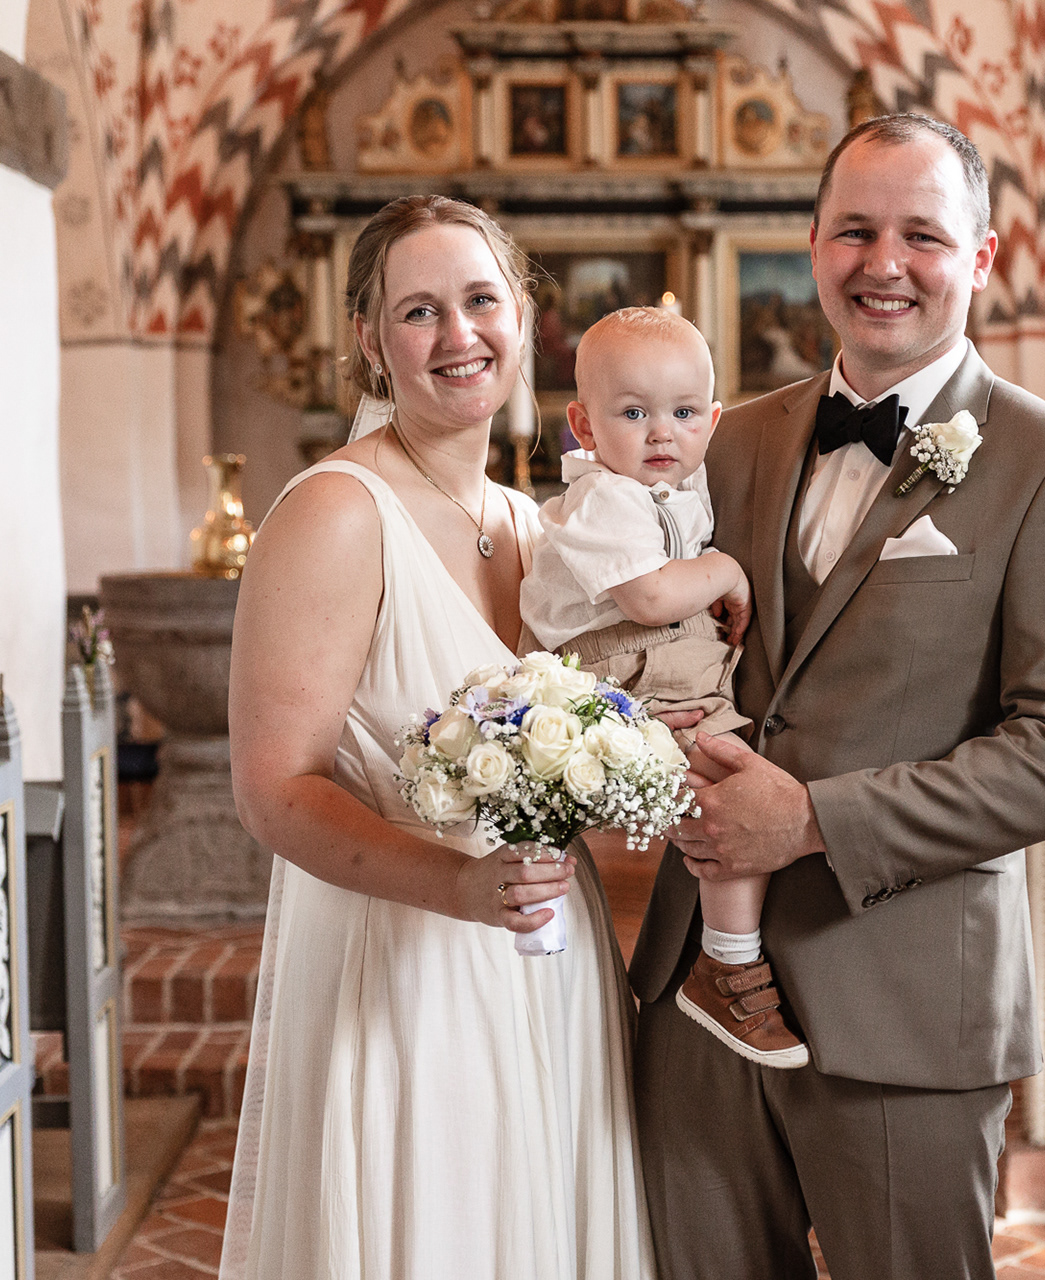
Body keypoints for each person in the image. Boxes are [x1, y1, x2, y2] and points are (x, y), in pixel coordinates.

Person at [629, 114, 1045, 1280]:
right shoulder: (726, 442)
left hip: (908, 1007)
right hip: (695, 992)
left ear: (982, 256)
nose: (885, 263)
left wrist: (811, 818)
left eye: (923, 234)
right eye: (855, 230)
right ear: (814, 244)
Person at [219, 194, 656, 1280]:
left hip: (552, 959)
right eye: (419, 311)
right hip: (411, 971)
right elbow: (274, 788)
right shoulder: (333, 512)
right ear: (370, 341)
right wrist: (459, 887)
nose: (459, 335)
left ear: (524, 318)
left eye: (480, 301)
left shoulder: (533, 525)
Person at [519, 306, 807, 1070]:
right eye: (633, 413)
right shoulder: (604, 497)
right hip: (620, 672)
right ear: (583, 425)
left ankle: (727, 959)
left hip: (676, 672)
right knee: (736, 804)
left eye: (682, 414)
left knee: (737, 802)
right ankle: (728, 966)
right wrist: (726, 570)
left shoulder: (680, 488)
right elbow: (648, 599)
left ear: (712, 419)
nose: (660, 434)